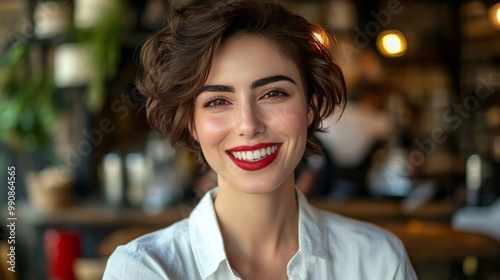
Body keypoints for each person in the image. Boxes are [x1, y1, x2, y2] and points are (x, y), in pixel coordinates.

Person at [103, 1, 417, 279]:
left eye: (272, 94)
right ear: (191, 123)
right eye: (217, 101)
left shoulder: (378, 261)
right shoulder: (145, 269)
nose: (248, 124)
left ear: (310, 106)